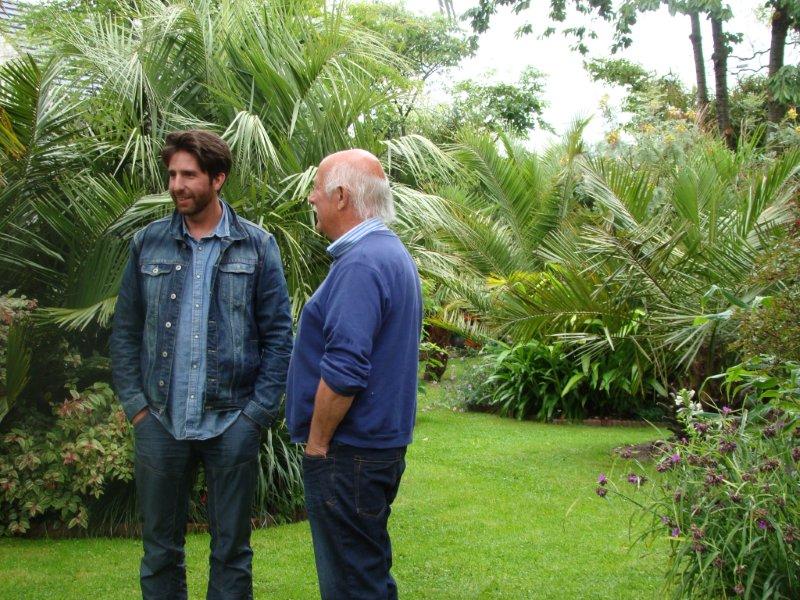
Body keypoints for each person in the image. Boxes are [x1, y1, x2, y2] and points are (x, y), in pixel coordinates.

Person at [110, 129, 293, 600]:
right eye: (172, 174)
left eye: (189, 175)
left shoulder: (256, 246)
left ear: (218, 178)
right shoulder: (148, 244)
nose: (177, 185)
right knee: (159, 553)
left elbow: (279, 338)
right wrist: (137, 407)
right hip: (160, 420)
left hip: (231, 421)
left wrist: (255, 416)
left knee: (231, 551)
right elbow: (125, 331)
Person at [286, 149, 423, 599]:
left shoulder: (362, 263)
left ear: (341, 196)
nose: (312, 198)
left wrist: (317, 445)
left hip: (349, 454)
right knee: (365, 576)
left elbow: (345, 369)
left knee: (351, 585)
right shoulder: (388, 252)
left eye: (317, 189)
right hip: (373, 450)